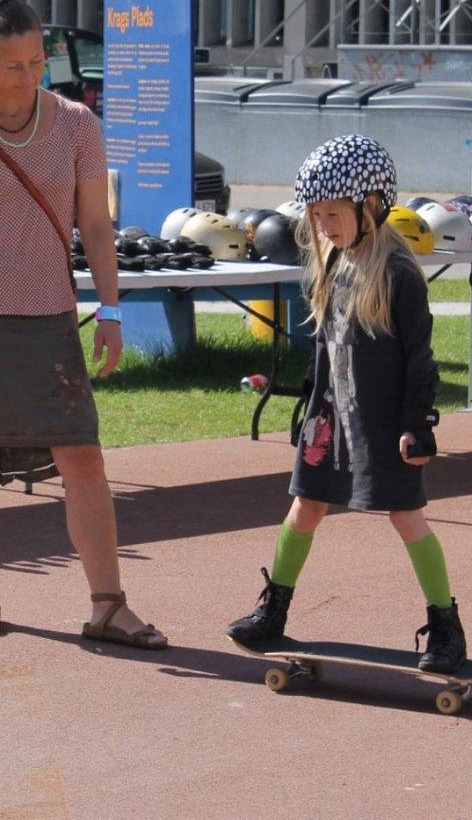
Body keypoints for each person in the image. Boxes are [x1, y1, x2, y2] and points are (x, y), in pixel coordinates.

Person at [0, 0, 166, 649]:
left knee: (84, 456)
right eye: (14, 64)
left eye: (37, 61)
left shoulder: (77, 124)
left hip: (50, 315)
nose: (29, 74)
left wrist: (110, 311)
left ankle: (108, 603)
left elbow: (98, 229)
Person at [227, 135, 466, 673]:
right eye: (315, 216)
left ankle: (447, 628)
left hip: (385, 424)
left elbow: (421, 360)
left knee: (406, 517)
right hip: (331, 420)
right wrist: (309, 406)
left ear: (372, 206)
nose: (323, 227)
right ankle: (274, 613)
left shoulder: (399, 274)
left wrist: (419, 424)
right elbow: (324, 345)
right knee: (304, 506)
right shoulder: (336, 262)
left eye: (332, 214)